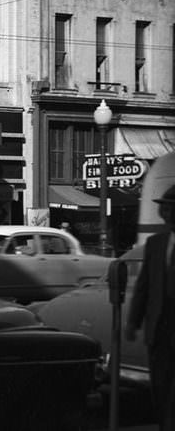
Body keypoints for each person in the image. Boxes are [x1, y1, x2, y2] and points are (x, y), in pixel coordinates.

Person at [128, 183, 175, 430]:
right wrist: (133, 322)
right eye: (164, 209)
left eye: (170, 209)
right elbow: (144, 287)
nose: (165, 213)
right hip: (158, 330)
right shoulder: (156, 244)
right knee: (160, 386)